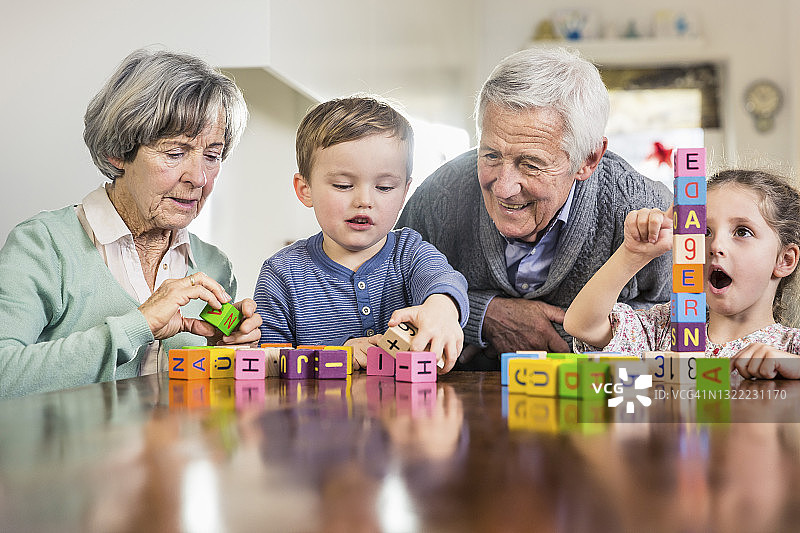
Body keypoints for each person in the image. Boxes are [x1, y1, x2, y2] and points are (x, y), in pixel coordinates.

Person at [0, 49, 262, 397]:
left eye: (212, 157)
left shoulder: (215, 266)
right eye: (175, 153)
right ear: (118, 152)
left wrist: (231, 355)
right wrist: (138, 325)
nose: (199, 178)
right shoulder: (44, 245)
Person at [397, 46, 672, 368]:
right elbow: (389, 289)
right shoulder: (440, 195)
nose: (503, 187)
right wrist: (484, 314)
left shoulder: (646, 210)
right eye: (490, 155)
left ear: (589, 159)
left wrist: (573, 331)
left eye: (531, 164)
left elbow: (694, 322)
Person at [253, 96, 469, 372]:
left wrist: (442, 308)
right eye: (343, 185)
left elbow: (444, 280)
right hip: (316, 413)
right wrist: (335, 357)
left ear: (404, 192)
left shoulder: (411, 252)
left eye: (385, 187)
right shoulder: (282, 273)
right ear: (304, 189)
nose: (364, 200)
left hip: (406, 412)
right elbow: (267, 365)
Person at [564, 169, 800, 379]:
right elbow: (582, 325)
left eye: (742, 232)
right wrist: (632, 254)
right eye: (704, 231)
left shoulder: (790, 348)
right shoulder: (664, 327)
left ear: (785, 260)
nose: (715, 245)